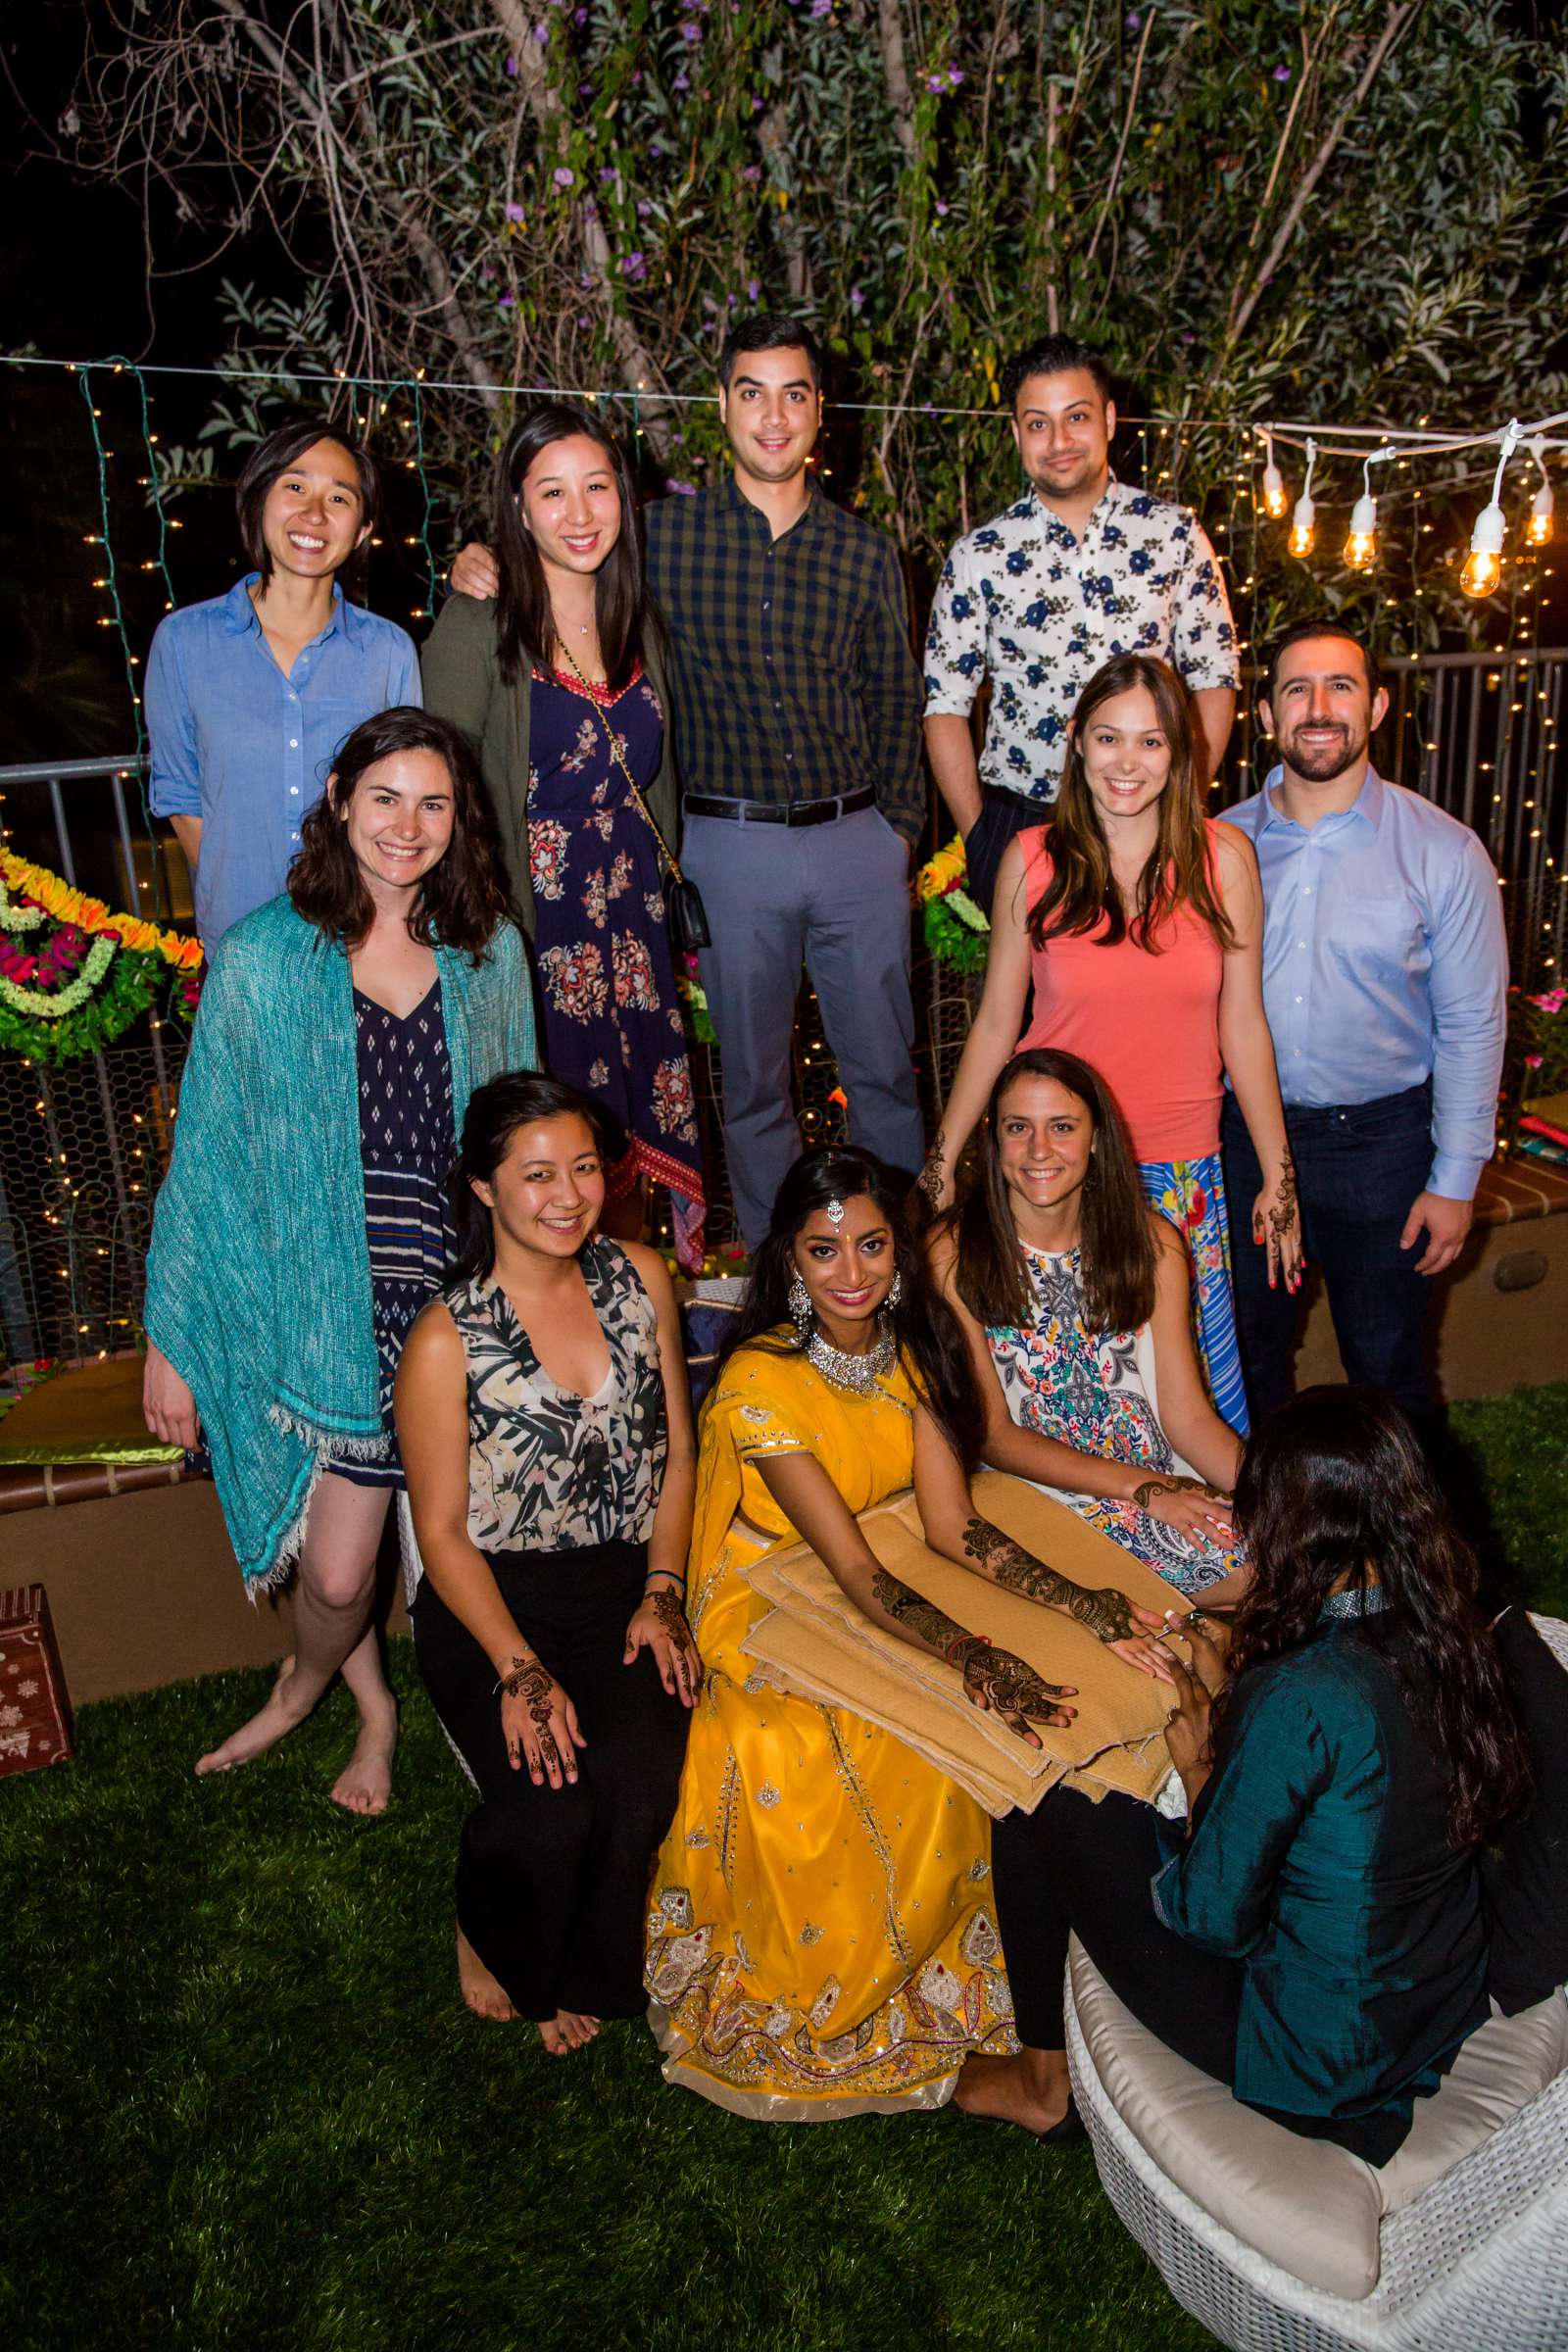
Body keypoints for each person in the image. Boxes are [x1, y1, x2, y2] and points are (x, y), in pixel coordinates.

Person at [645, 1145, 1172, 2121]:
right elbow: (849, 1573)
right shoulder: (762, 1383)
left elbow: (954, 1526)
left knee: (1011, 1713)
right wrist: (974, 1655)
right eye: (823, 1252)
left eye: (872, 1245)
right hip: (769, 1593)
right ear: (789, 1262)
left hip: (893, 1557)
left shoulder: (910, 1347)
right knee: (860, 1736)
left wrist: (1082, 1606)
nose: (852, 1275)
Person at [450, 317, 928, 1250]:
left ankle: (895, 1255)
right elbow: (558, 565)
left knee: (884, 1077)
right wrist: (480, 559)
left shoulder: (867, 554)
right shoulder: (658, 540)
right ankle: (776, 1277)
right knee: (751, 1087)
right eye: (752, 391)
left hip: (855, 842)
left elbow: (896, 702)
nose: (774, 415)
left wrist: (897, 833)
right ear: (723, 407)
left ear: (821, 411)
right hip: (728, 847)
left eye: (795, 392)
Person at [959, 1387, 1535, 2161]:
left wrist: (1203, 1764)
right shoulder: (1450, 1624)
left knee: (1046, 1789)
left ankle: (1040, 2087)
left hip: (1316, 2055)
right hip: (1429, 1996)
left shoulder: (1303, 1692)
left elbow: (1209, 1918)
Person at [142, 708, 534, 1811]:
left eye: (433, 804)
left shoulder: (489, 949)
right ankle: (332, 1693)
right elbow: (210, 1151)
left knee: (459, 1544)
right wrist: (173, 1336)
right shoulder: (267, 954)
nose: (406, 827)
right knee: (338, 1571)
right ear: (336, 798)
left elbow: (526, 1141)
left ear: (461, 821)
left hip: (454, 1296)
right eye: (384, 799)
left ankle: (405, 1702)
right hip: (322, 1290)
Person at [395, 1073, 700, 2049]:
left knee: (643, 1776)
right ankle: (483, 1923)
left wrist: (662, 1590)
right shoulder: (446, 1339)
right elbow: (439, 1533)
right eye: (536, 1175)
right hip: (492, 1598)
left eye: (582, 1169)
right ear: (483, 1188)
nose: (569, 1195)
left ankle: (591, 1971)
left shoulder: (641, 1276)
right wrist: (518, 1668)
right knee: (548, 1810)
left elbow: (676, 1453)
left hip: (621, 1585)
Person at [926, 655, 1300, 1436]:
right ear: (1076, 742)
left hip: (1180, 1169)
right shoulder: (1031, 859)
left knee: (1186, 1394)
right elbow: (999, 1023)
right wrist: (944, 1157)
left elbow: (1244, 1026)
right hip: (1052, 1168)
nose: (1127, 763)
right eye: (1107, 738)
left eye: (1151, 743)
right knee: (1069, 1399)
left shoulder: (1223, 857)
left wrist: (1277, 1174)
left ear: (1179, 754)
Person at [422, 401, 705, 1268]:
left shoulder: (639, 623)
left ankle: (630, 1330)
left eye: (597, 487)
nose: (579, 514)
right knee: (548, 1160)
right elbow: (444, 785)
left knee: (622, 1161)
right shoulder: (478, 623)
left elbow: (663, 777)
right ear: (517, 506)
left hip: (634, 934)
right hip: (538, 940)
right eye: (552, 492)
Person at [1220, 619, 1509, 1441]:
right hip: (1245, 1139)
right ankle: (1274, 1550)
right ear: (1267, 713)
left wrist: (1455, 1178)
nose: (1319, 707)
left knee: (1388, 1377)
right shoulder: (1218, 844)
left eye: (1340, 686)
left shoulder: (1443, 853)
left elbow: (1472, 1021)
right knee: (1244, 1363)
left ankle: (1410, 1561)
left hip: (1384, 1148)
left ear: (1377, 707)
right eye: (1296, 689)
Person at [922, 334, 1239, 913]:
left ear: (1110, 419)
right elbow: (945, 706)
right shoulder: (979, 555)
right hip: (1025, 822)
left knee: (1147, 999)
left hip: (1147, 815)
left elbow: (1215, 676)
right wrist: (980, 834)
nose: (1059, 441)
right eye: (1038, 424)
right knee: (1025, 1005)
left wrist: (1186, 805)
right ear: (1017, 434)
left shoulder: (1174, 535)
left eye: (1077, 417)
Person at [931, 1049, 1250, 1604]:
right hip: (1043, 1494)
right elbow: (995, 1437)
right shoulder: (952, 1252)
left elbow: (1189, 1417)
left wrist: (1285, 1496)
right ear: (994, 1141)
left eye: (1062, 1127)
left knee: (1307, 1551)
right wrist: (1146, 1491)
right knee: (1259, 1577)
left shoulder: (1152, 1243)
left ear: (1097, 1138)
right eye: (1017, 1128)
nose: (1039, 1150)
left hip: (1159, 1482)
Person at [146, 418, 420, 949]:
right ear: (260, 501)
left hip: (359, 938)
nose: (314, 515)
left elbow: (403, 801)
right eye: (295, 487)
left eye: (339, 498)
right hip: (240, 942)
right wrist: (248, 912)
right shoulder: (184, 642)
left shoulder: (388, 652)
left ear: (362, 529)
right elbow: (180, 792)